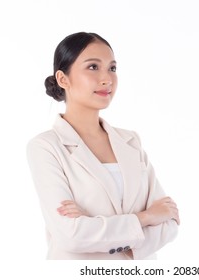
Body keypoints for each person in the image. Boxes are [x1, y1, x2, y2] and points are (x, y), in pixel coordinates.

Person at [26, 32, 179, 260]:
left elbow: (169, 221)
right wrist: (145, 218)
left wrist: (96, 226)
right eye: (93, 67)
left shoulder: (130, 141)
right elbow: (72, 235)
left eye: (112, 68)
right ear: (63, 79)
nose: (107, 78)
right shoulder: (45, 147)